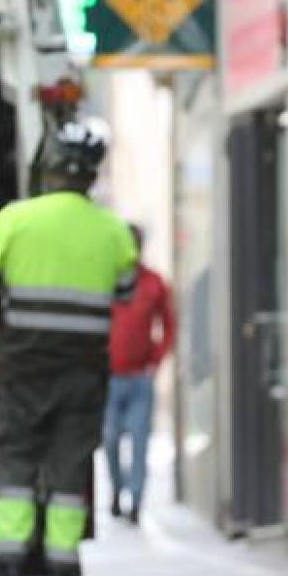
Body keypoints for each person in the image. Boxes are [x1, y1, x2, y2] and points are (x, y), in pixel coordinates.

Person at [0, 122, 137, 576]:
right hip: (83, 369)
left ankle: (9, 561)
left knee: (17, 458)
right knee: (70, 462)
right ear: (91, 177)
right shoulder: (113, 230)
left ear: (50, 170)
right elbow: (125, 289)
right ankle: (64, 563)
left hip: (28, 364)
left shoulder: (16, 219)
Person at [103, 224, 175, 524]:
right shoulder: (103, 281)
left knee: (140, 441)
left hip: (139, 379)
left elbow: (169, 325)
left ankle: (135, 501)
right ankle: (117, 492)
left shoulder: (154, 283)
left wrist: (155, 361)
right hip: (108, 377)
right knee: (109, 439)